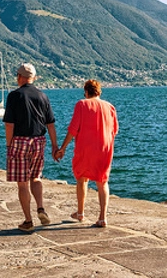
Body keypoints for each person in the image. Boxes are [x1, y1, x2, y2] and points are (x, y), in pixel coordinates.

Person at [3, 63, 58, 232]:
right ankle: (40, 207)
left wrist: (9, 145)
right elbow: (50, 125)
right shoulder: (43, 96)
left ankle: (28, 221)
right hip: (39, 141)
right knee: (36, 177)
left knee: (22, 184)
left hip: (20, 141)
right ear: (33, 78)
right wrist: (55, 146)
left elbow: (9, 125)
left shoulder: (14, 96)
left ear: (19, 77)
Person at [55, 79, 118, 228]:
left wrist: (62, 148)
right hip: (104, 147)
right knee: (102, 181)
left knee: (82, 178)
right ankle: (102, 217)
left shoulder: (82, 104)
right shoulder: (110, 107)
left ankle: (81, 212)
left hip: (85, 148)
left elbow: (73, 129)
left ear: (86, 92)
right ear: (99, 92)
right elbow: (115, 130)